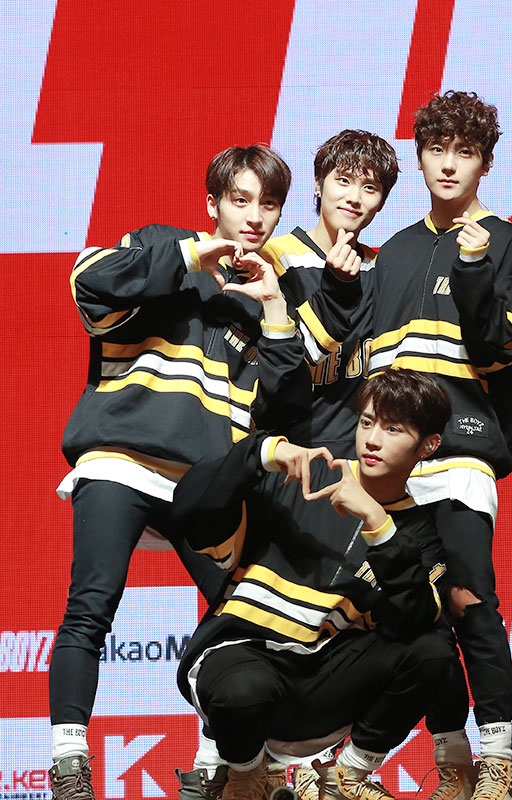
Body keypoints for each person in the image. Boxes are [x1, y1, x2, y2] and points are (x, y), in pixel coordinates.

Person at [49, 144, 310, 800]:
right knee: (90, 606)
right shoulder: (162, 246)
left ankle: (214, 765)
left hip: (202, 483)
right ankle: (69, 764)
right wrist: (192, 254)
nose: (254, 216)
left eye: (269, 204)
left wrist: (276, 310)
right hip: (121, 459)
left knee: (243, 612)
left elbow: (286, 407)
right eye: (240, 200)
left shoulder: (267, 295)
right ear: (212, 204)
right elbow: (89, 282)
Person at [171, 368, 457, 800]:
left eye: (393, 429)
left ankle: (348, 775)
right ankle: (245, 775)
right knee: (244, 691)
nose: (372, 440)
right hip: (244, 659)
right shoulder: (302, 474)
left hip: (323, 688)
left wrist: (378, 524)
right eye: (367, 422)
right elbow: (193, 512)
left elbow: (415, 623)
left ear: (428, 445)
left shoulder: (418, 532)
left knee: (433, 650)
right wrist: (261, 452)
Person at [368, 90, 512, 800]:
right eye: (437, 149)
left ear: (485, 164)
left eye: (465, 152)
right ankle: (453, 761)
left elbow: (501, 349)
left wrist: (473, 266)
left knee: (469, 601)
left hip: (462, 451)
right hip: (391, 470)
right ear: (419, 157)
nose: (448, 164)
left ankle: (499, 761)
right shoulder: (395, 250)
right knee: (415, 617)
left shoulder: (507, 241)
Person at [262, 129, 400, 456]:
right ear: (318, 185)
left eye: (369, 188)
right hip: (287, 453)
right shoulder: (274, 259)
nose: (354, 197)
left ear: (381, 202)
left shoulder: (382, 271)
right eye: (343, 181)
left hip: (361, 461)